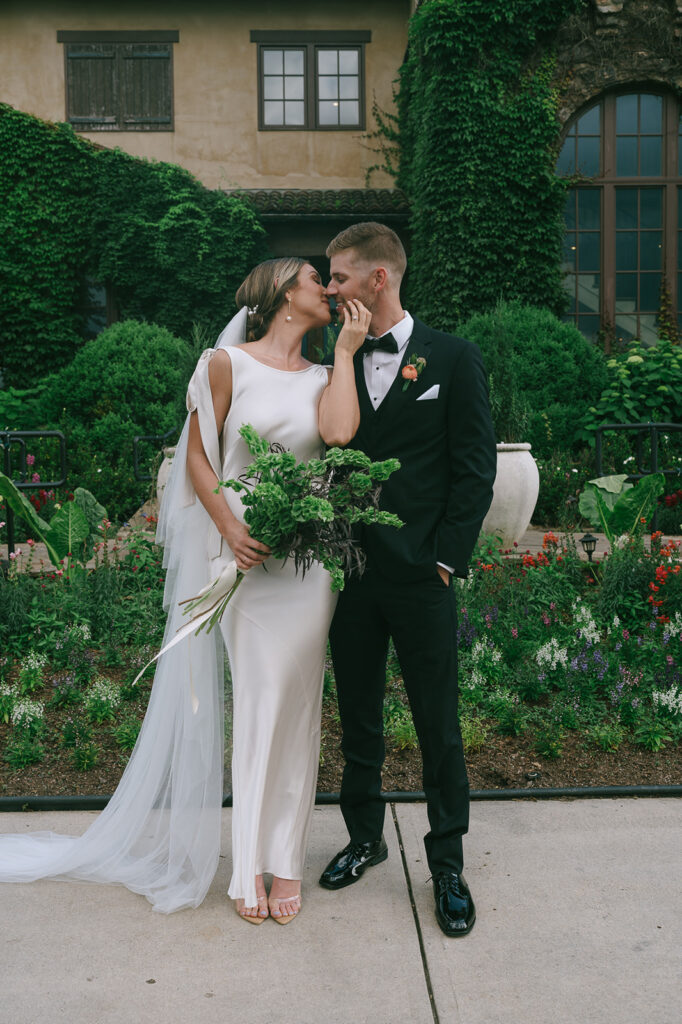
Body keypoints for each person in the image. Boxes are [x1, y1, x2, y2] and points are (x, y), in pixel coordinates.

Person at [0, 258, 370, 924]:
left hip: (308, 568)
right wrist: (230, 527)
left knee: (301, 708)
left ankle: (286, 860)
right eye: (321, 280)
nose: (331, 290)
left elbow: (340, 434)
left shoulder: (325, 375)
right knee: (259, 705)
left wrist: (345, 353)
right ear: (288, 292)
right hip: (244, 564)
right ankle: (246, 864)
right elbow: (198, 455)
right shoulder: (225, 363)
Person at [318, 223, 497, 937]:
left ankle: (447, 865)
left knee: (438, 725)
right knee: (358, 717)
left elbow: (474, 470)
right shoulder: (330, 355)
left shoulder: (454, 358)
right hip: (352, 577)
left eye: (337, 276)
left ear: (377, 279)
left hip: (424, 578)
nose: (328, 288)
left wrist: (447, 560)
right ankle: (364, 838)